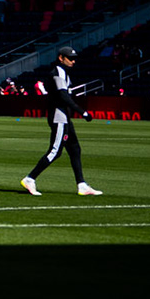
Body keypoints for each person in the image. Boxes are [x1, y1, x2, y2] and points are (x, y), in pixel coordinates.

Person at [21, 46, 101, 197]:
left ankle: (82, 185)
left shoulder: (63, 73)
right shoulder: (58, 72)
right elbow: (63, 96)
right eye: (70, 58)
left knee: (75, 149)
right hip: (59, 117)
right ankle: (30, 178)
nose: (73, 61)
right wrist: (82, 112)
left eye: (74, 58)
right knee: (55, 151)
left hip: (64, 117)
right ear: (61, 58)